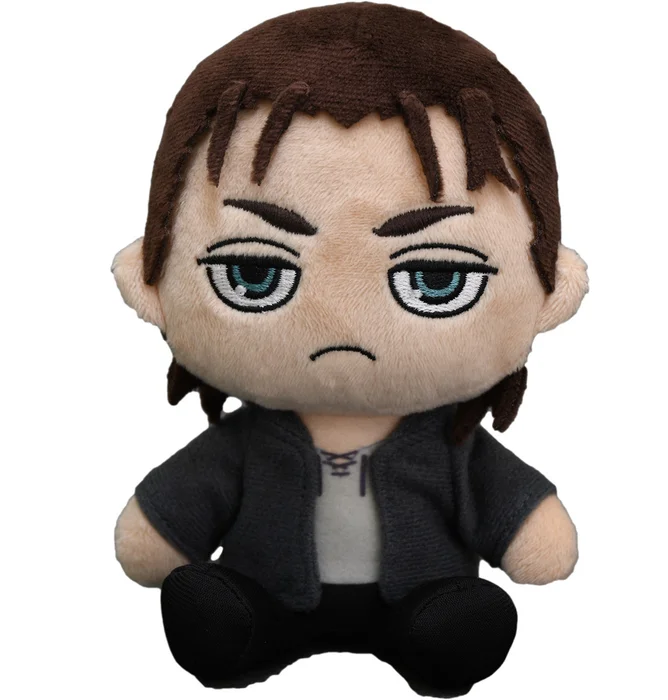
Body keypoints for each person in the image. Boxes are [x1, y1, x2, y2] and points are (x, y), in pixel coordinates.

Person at [112, 3, 588, 696]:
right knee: (220, 618)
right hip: (267, 596)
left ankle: (438, 639)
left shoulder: (452, 447)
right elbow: (162, 528)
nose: (343, 322)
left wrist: (528, 531)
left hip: (418, 600)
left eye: (436, 277)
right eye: (254, 272)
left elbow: (515, 515)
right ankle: (239, 631)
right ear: (150, 281)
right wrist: (160, 536)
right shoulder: (244, 444)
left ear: (551, 291)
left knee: (453, 626)